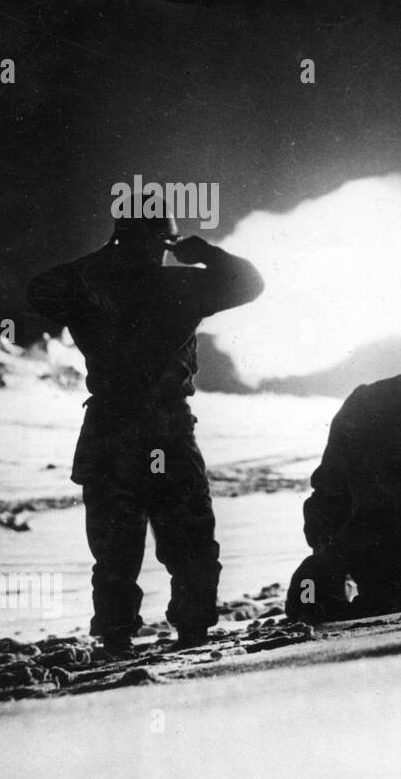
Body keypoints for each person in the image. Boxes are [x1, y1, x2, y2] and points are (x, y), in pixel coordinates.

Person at [27, 212, 264, 656]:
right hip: (166, 428)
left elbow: (38, 289)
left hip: (109, 428)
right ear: (163, 242)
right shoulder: (180, 287)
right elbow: (250, 283)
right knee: (190, 538)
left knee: (115, 546)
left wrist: (105, 254)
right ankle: (192, 631)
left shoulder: (88, 288)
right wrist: (202, 253)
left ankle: (116, 635)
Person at [285, 318, 401, 623]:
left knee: (314, 596)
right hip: (398, 549)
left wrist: (324, 546)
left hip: (345, 538)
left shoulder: (362, 399)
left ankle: (316, 585)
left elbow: (329, 476)